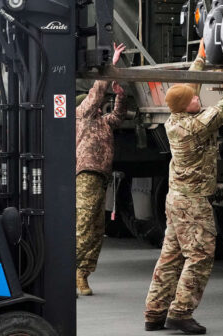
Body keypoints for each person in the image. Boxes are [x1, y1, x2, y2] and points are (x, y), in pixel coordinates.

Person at [144, 43, 223, 334]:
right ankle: (180, 313)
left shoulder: (177, 118)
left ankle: (154, 313)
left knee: (171, 256)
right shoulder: (193, 126)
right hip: (191, 203)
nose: (198, 99)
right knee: (200, 255)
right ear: (186, 106)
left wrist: (200, 58)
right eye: (193, 100)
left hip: (177, 201)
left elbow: (191, 86)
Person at [76, 43, 127, 296]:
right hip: (86, 175)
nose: (97, 104)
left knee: (97, 230)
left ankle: (82, 275)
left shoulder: (103, 122)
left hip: (101, 177)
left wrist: (120, 95)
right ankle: (68, 270)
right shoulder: (81, 115)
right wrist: (112, 65)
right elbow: (96, 92)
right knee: (83, 225)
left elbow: (118, 116)